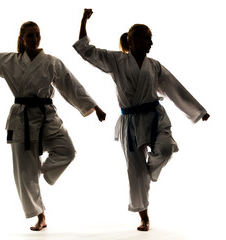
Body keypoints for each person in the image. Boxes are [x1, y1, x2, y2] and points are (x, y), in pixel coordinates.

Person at [73, 9, 210, 231]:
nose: (151, 43)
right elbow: (87, 51)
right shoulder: (116, 60)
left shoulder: (154, 65)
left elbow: (174, 87)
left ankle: (148, 172)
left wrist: (198, 110)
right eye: (147, 38)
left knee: (165, 149)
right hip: (131, 122)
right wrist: (83, 21)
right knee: (134, 173)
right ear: (132, 40)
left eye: (151, 38)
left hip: (155, 117)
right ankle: (144, 217)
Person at [0, 12, 106, 231]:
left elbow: (71, 85)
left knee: (67, 151)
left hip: (46, 116)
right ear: (22, 39)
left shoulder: (51, 62)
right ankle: (40, 216)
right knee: (24, 174)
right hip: (20, 119)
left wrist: (94, 106)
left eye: (37, 35)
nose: (35, 39)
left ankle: (43, 171)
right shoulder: (10, 61)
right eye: (31, 36)